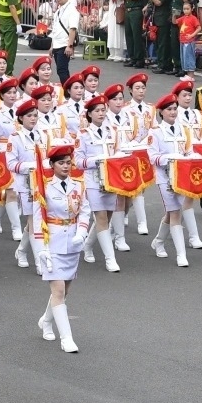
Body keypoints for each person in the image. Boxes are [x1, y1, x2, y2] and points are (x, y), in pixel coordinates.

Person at [31, 144, 91, 354]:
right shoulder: (44, 187)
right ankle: (67, 338)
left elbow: (84, 211)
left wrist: (81, 233)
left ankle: (46, 321)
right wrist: (41, 249)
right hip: (52, 243)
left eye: (68, 163)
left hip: (72, 242)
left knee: (65, 290)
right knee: (57, 290)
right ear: (52, 165)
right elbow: (37, 220)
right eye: (61, 163)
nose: (66, 166)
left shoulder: (78, 185)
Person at [74, 95, 121, 272]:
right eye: (97, 111)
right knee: (100, 217)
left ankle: (87, 245)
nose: (101, 113)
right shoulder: (83, 135)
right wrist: (98, 160)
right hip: (93, 180)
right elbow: (78, 162)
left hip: (111, 180)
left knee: (106, 218)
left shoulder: (113, 131)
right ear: (89, 114)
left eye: (103, 110)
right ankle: (110, 259)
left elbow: (118, 152)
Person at [145, 94, 193, 266]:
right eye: (169, 109)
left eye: (174, 109)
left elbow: (189, 151)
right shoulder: (155, 132)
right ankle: (181, 255)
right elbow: (153, 157)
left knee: (173, 211)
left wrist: (190, 158)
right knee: (175, 212)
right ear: (161, 112)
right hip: (165, 177)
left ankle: (158, 241)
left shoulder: (184, 129)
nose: (173, 112)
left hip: (182, 176)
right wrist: (171, 159)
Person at [50, 0, 80, 84]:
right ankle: (68, 88)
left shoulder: (72, 10)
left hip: (64, 44)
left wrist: (70, 46)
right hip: (57, 44)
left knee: (61, 70)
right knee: (61, 70)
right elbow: (55, 30)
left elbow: (72, 29)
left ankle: (68, 89)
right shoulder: (58, 11)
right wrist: (52, 46)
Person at [120, 0, 147, 68]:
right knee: (129, 35)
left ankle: (139, 59)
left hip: (136, 10)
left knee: (136, 35)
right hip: (127, 11)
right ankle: (132, 58)